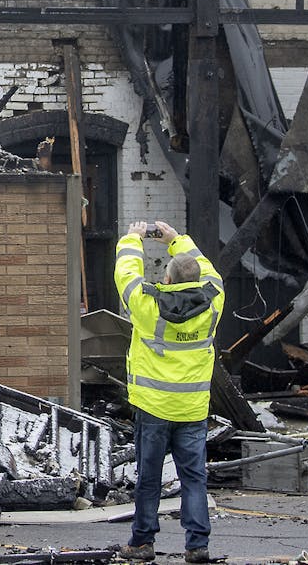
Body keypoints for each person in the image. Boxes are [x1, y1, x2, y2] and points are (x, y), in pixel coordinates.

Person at [115, 220, 225, 564]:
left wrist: (133, 239)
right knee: (194, 479)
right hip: (192, 409)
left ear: (167, 280)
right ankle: (196, 546)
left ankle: (142, 542)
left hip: (154, 407)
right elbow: (208, 270)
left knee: (149, 479)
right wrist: (177, 239)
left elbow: (126, 275)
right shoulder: (214, 302)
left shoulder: (148, 307)